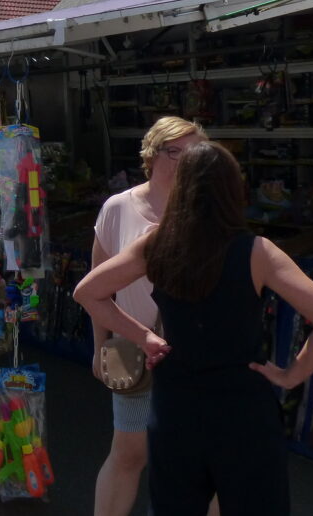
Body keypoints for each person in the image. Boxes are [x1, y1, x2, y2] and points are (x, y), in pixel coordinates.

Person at [75, 142, 313, 515]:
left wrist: (145, 337)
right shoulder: (257, 252)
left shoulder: (157, 244)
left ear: (182, 187)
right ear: (232, 189)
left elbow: (88, 292)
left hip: (176, 406)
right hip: (242, 407)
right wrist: (291, 375)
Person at [90, 116, 206, 516]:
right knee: (128, 453)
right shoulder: (118, 209)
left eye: (194, 154)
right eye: (176, 151)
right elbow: (95, 285)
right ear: (153, 154)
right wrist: (99, 346)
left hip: (194, 351)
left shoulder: (206, 213)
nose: (184, 162)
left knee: (201, 459)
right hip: (132, 347)